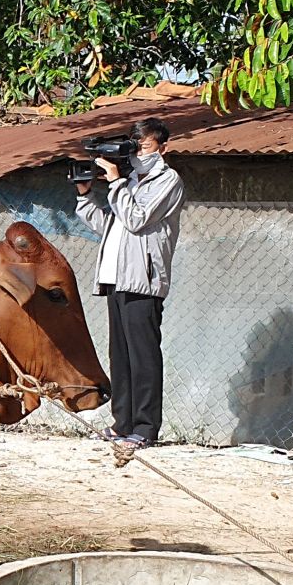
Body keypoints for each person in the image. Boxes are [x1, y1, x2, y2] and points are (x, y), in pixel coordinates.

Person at [75, 117, 185, 465]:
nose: (138, 152)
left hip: (143, 281)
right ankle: (122, 423)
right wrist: (84, 196)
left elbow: (137, 219)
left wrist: (117, 182)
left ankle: (146, 427)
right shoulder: (131, 181)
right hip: (116, 279)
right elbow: (111, 225)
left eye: (145, 146)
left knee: (143, 355)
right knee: (120, 356)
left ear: (162, 148)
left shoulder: (167, 181)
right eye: (134, 145)